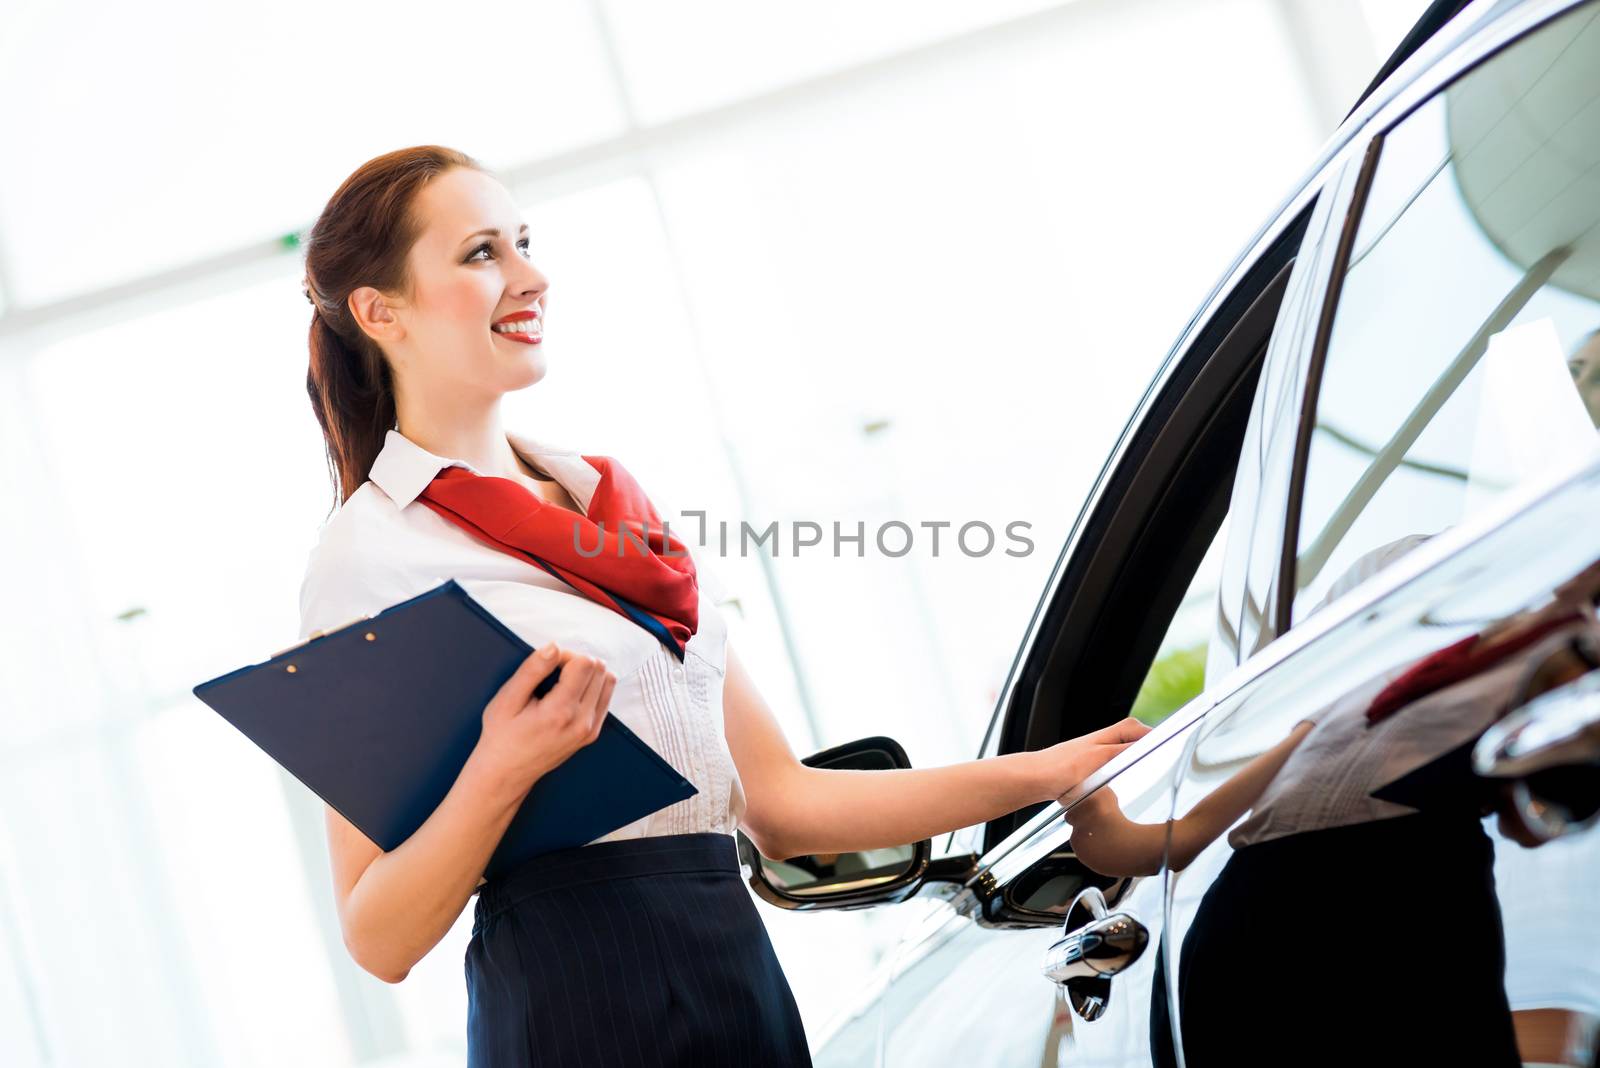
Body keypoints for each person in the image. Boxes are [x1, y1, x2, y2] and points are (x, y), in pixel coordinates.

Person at [294, 145, 1150, 1068]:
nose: (531, 275)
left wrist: (1047, 773)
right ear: (383, 313)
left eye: (525, 242)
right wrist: (505, 765)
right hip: (573, 996)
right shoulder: (370, 558)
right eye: (481, 254)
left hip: (732, 963)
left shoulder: (615, 509)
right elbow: (377, 936)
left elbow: (781, 802)